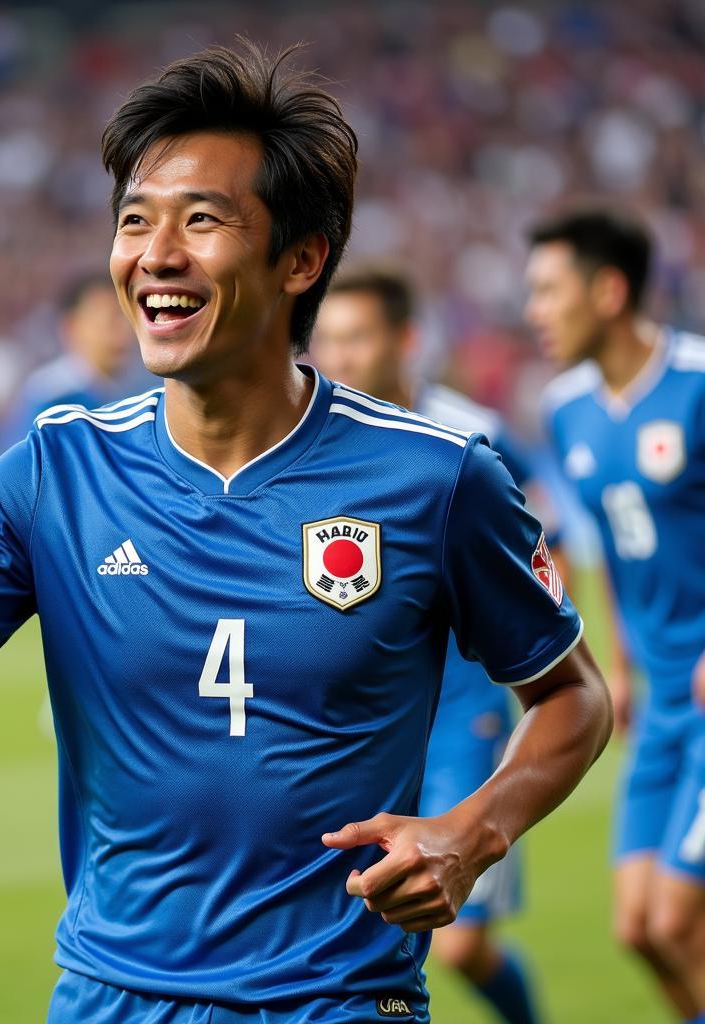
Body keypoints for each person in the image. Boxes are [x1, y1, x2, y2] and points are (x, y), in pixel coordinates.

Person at [0, 42, 611, 1024]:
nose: (153, 255)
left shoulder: (436, 475)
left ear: (301, 259)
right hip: (110, 1000)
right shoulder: (53, 470)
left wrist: (473, 829)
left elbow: (571, 694)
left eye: (200, 219)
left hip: (338, 1000)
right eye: (134, 221)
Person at [313, 265, 555, 1024]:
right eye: (327, 340)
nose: (339, 358)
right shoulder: (317, 439)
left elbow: (546, 533)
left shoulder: (469, 434)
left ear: (406, 341)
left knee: (462, 946)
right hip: (359, 720)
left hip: (461, 712)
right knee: (344, 928)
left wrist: (529, 639)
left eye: (356, 338)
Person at [529, 207, 705, 1024]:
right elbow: (611, 551)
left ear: (607, 291)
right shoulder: (568, 411)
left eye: (548, 291)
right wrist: (622, 667)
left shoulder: (699, 383)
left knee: (677, 919)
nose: (534, 311)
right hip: (661, 701)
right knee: (637, 927)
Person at [0, 270, 150, 454]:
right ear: (72, 326)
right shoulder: (52, 399)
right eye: (111, 321)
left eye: (127, 319)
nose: (124, 333)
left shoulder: (126, 390)